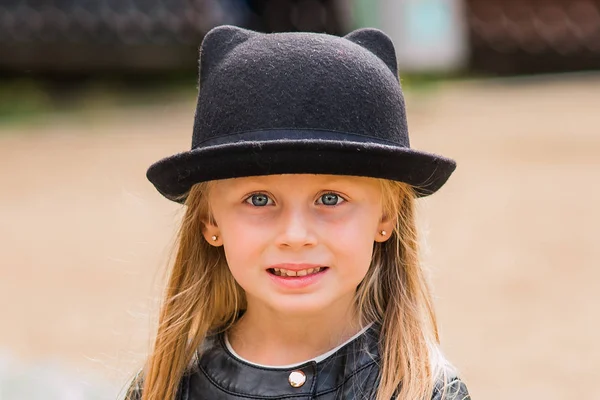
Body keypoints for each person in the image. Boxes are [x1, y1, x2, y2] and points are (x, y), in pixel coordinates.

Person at [128, 25, 470, 400]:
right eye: (259, 199)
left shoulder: (421, 390)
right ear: (209, 221)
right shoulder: (166, 388)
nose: (295, 234)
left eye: (330, 199)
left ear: (386, 217)